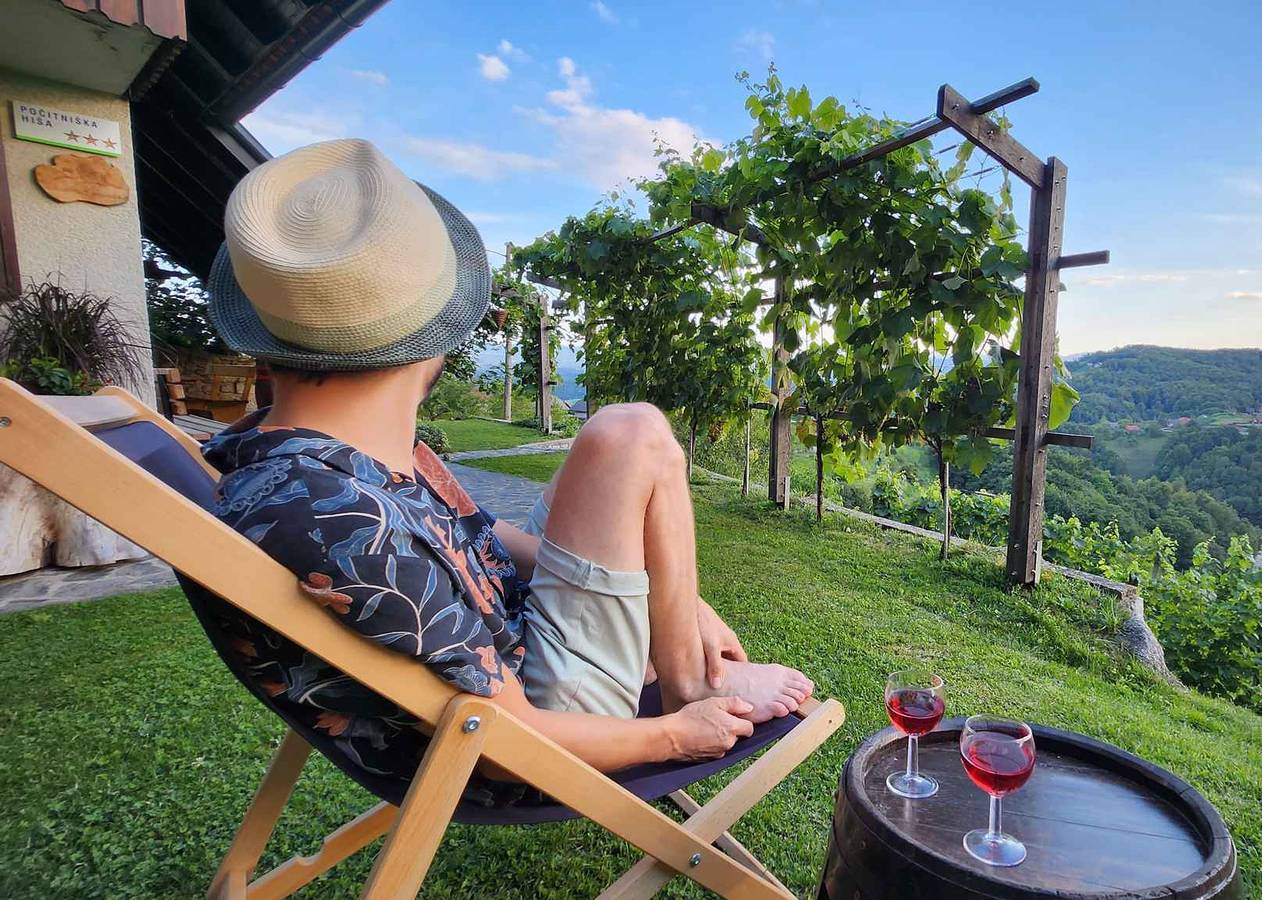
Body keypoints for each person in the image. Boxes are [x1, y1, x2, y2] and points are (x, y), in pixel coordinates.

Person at [198, 139, 812, 803]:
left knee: (614, 452)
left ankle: (678, 654)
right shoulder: (328, 514)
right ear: (434, 332)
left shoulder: (313, 457)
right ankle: (690, 678)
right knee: (628, 433)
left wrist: (680, 599)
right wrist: (677, 730)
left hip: (520, 633)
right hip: (544, 718)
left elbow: (481, 535)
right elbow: (501, 749)